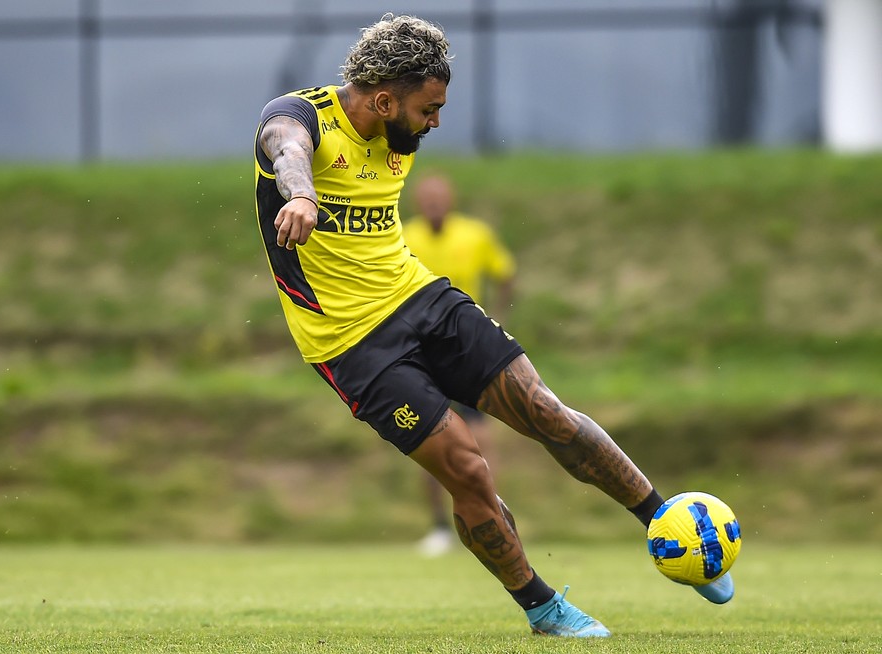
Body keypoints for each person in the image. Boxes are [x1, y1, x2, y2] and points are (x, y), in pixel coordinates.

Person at [253, 13, 734, 639]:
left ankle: (666, 522)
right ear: (383, 99)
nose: (436, 123)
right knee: (469, 468)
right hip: (351, 344)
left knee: (546, 410)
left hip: (420, 298)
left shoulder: (397, 134)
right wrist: (302, 195)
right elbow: (286, 146)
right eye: (428, 110)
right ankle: (543, 607)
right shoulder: (301, 116)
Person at [402, 174, 515, 557]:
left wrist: (497, 319)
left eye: (440, 197)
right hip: (419, 351)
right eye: (427, 198)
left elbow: (505, 275)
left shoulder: (475, 234)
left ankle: (493, 518)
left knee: (480, 442)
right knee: (429, 442)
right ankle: (439, 528)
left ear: (451, 200)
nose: (434, 204)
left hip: (465, 347)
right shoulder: (402, 235)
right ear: (417, 202)